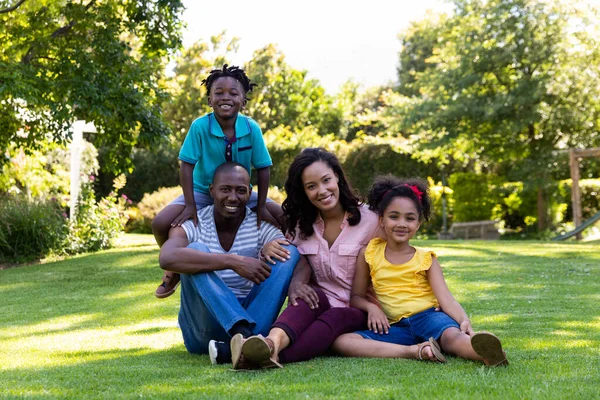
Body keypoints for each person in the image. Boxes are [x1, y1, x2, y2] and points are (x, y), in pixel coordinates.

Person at [225, 148, 438, 370]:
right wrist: (268, 248)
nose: (322, 191)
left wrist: (428, 303)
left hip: (362, 309)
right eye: (311, 186)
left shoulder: (372, 220)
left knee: (336, 316)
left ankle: (255, 355)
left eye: (326, 180)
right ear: (304, 192)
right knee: (305, 299)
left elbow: (402, 259)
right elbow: (291, 257)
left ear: (337, 176)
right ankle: (271, 345)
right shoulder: (302, 225)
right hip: (321, 301)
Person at [332, 175, 509, 366]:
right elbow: (356, 296)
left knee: (451, 338)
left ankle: (488, 353)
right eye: (394, 216)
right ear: (381, 220)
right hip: (395, 326)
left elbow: (446, 299)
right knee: (343, 342)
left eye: (410, 218)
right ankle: (414, 351)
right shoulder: (369, 253)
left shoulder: (426, 258)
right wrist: (372, 308)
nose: (402, 223)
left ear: (418, 224)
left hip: (430, 318)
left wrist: (463, 320)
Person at [153, 64, 281, 299]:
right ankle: (175, 269)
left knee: (283, 217)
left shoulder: (251, 128)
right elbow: (186, 165)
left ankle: (297, 268)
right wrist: (191, 204)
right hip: (202, 191)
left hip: (241, 193)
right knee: (161, 222)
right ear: (209, 99)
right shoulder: (200, 126)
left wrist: (261, 204)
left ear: (243, 100)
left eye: (233, 93)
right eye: (219, 92)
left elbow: (263, 168)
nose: (226, 97)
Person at [158, 162, 299, 365]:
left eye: (241, 191)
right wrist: (233, 261)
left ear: (250, 192)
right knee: (195, 251)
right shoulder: (194, 224)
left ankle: (232, 349)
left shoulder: (260, 225)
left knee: (289, 252)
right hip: (203, 330)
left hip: (255, 319)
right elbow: (167, 257)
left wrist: (265, 249)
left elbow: (290, 251)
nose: (233, 197)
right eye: (225, 189)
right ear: (212, 191)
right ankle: (241, 333)